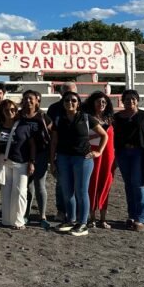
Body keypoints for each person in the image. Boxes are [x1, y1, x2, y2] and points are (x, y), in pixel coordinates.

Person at [50, 90, 108, 236]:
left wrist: (99, 151)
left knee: (81, 191)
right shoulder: (59, 119)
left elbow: (104, 135)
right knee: (67, 191)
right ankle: (71, 220)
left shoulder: (87, 118)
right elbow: (54, 141)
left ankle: (83, 223)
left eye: (73, 100)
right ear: (63, 103)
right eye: (67, 100)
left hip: (82, 158)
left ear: (78, 104)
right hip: (63, 158)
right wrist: (52, 161)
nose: (70, 103)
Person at [112, 89, 144, 232]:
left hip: (140, 153)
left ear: (137, 100)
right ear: (122, 101)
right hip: (123, 153)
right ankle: (132, 215)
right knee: (128, 185)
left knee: (138, 185)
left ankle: (142, 218)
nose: (130, 101)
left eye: (133, 99)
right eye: (127, 99)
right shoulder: (117, 117)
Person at [0, 99, 35, 230]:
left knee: (20, 192)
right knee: (6, 192)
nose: (10, 112)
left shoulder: (24, 125)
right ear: (2, 111)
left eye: (13, 109)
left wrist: (32, 161)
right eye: (7, 110)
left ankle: (18, 221)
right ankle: (6, 220)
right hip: (4, 162)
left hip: (21, 162)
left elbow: (32, 145)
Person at [82, 91, 116, 229]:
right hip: (93, 154)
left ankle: (103, 218)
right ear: (93, 103)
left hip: (108, 157)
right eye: (98, 101)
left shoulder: (110, 119)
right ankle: (92, 218)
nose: (101, 104)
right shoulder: (87, 119)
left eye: (104, 102)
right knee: (92, 185)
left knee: (105, 185)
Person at [20, 90, 53, 229]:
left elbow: (52, 135)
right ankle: (25, 214)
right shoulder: (18, 115)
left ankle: (42, 216)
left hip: (41, 154)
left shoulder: (43, 117)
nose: (28, 101)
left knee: (40, 184)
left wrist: (52, 155)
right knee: (27, 186)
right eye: (26, 98)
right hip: (22, 155)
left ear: (37, 101)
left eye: (31, 98)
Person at [46, 82, 76, 221]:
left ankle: (75, 212)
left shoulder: (82, 108)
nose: (69, 97)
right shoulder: (54, 108)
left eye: (72, 92)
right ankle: (61, 210)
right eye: (66, 93)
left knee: (78, 183)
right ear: (61, 94)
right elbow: (50, 131)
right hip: (61, 150)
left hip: (78, 152)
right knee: (61, 183)